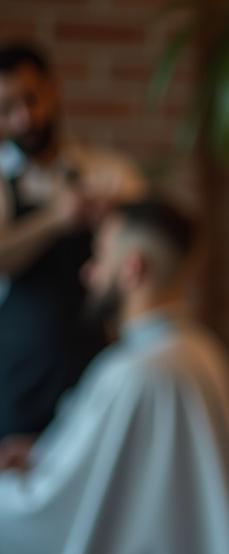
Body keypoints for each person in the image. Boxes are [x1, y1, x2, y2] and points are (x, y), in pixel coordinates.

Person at [0, 200, 229, 554]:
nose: (87, 272)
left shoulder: (136, 371)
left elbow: (60, 502)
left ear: (132, 269)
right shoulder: (193, 346)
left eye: (98, 256)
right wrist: (42, 455)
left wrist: (20, 479)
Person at [0, 42, 146, 440]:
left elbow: (146, 243)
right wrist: (55, 219)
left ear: (53, 91)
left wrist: (116, 216)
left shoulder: (110, 172)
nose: (24, 118)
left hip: (94, 368)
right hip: (16, 377)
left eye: (31, 99)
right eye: (7, 109)